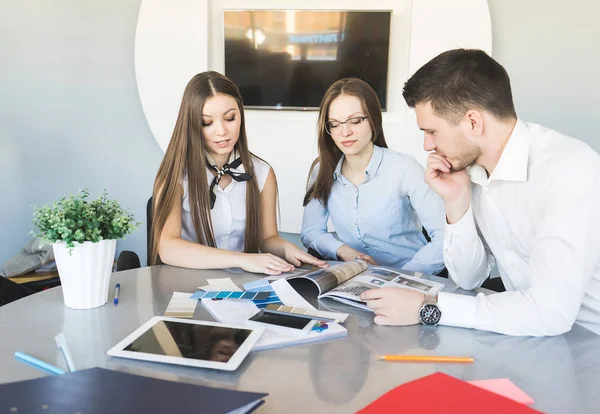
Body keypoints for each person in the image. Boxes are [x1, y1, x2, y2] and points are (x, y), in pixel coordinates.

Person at [360, 49, 600, 336]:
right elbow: (468, 277)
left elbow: (551, 312)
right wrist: (456, 203)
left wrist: (429, 307)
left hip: (587, 341)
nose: (426, 145)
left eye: (432, 132)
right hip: (526, 334)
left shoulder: (569, 169)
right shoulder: (471, 172)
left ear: (474, 122)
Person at [149, 71, 326, 275]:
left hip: (243, 286)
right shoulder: (177, 175)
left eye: (230, 118)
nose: (222, 131)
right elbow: (167, 248)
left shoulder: (262, 173)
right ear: (191, 124)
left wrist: (286, 249)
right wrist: (242, 260)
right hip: (186, 283)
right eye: (207, 123)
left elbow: (267, 239)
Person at [301, 77, 446, 275]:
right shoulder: (322, 170)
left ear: (373, 120)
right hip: (357, 275)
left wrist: (398, 278)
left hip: (409, 277)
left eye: (355, 121)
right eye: (335, 124)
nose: (345, 132)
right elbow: (311, 232)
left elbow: (444, 238)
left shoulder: (404, 168)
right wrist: (343, 251)